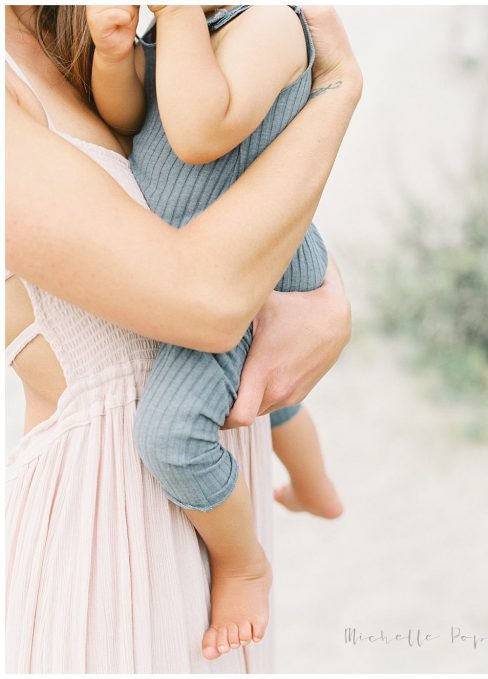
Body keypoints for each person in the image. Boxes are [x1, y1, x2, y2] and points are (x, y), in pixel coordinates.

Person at [5, 4, 361, 672]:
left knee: (273, 404)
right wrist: (340, 92)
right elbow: (207, 295)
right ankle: (265, 537)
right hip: (101, 511)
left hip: (206, 465)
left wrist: (323, 296)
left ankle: (311, 488)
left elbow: (218, 180)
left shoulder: (77, 29)